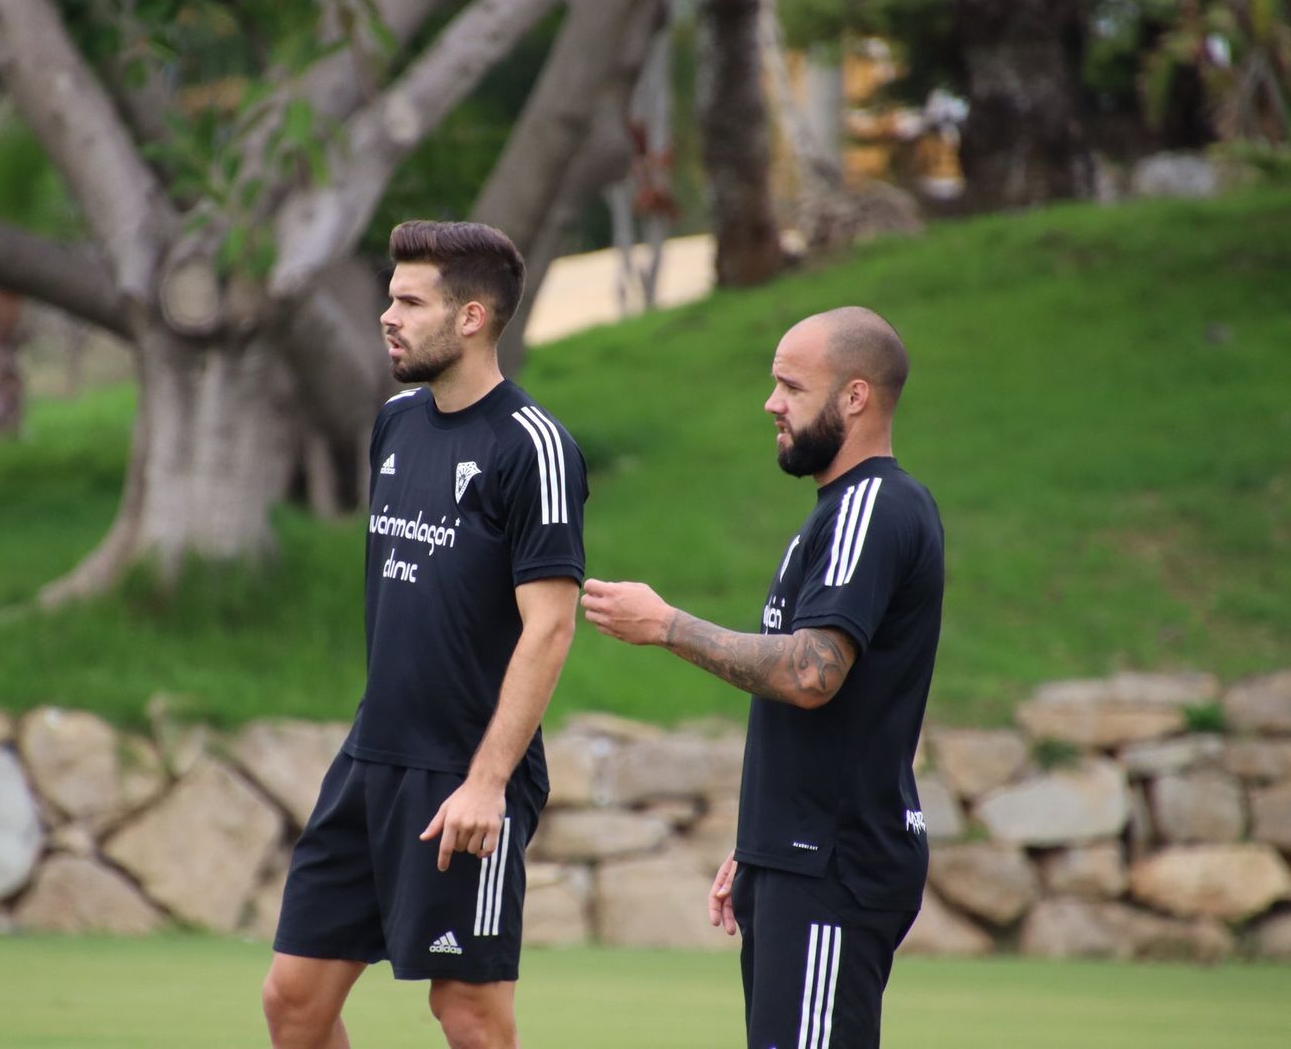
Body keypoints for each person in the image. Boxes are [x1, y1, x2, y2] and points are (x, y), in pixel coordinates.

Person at [581, 306, 943, 1049]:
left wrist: (667, 626)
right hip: (802, 852)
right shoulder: (834, 513)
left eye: (790, 386)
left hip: (833, 866)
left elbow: (814, 674)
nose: (771, 403)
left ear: (855, 397)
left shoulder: (872, 507)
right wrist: (762, 837)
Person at [263, 220, 587, 1049]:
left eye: (411, 300)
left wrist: (487, 783)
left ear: (472, 317)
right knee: (294, 1002)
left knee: (469, 1015)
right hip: (373, 757)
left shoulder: (534, 447)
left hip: (465, 775)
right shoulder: (397, 421)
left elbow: (549, 629)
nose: (388, 315)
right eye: (390, 296)